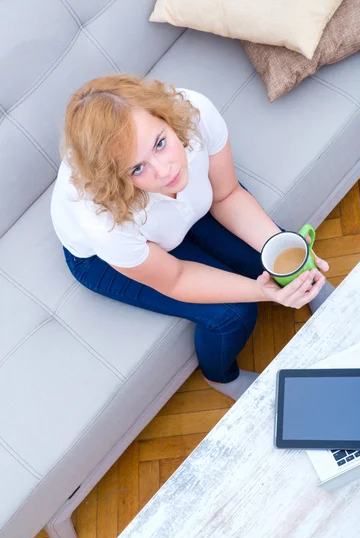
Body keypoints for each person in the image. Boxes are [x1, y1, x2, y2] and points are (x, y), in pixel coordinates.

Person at [51, 75, 332, 401]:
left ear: (165, 118)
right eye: (137, 168)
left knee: (274, 256)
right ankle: (221, 379)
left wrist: (299, 260)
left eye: (160, 143)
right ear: (118, 176)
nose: (164, 170)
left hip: (182, 209)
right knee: (235, 312)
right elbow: (177, 278)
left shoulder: (194, 111)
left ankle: (311, 286)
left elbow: (226, 195)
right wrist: (264, 292)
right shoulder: (103, 221)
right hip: (109, 255)